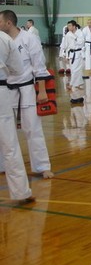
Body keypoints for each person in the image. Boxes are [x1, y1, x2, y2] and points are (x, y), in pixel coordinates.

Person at [0, 10, 54, 179]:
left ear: (9, 23)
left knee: (33, 129)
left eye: (0, 22)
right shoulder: (1, 40)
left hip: (27, 89)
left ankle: (42, 166)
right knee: (4, 131)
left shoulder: (29, 39)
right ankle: (3, 165)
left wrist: (42, 91)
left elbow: (39, 66)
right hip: (6, 90)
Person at [0, 28, 34, 204]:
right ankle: (21, 192)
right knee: (10, 144)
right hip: (1, 93)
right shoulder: (4, 38)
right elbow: (18, 69)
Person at [61, 20, 86, 104]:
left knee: (75, 70)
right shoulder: (68, 34)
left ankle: (72, 84)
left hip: (78, 53)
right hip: (71, 54)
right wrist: (65, 55)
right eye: (68, 26)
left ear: (74, 26)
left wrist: (74, 37)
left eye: (70, 26)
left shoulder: (80, 33)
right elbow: (65, 45)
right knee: (74, 70)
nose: (68, 27)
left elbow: (81, 43)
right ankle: (78, 83)